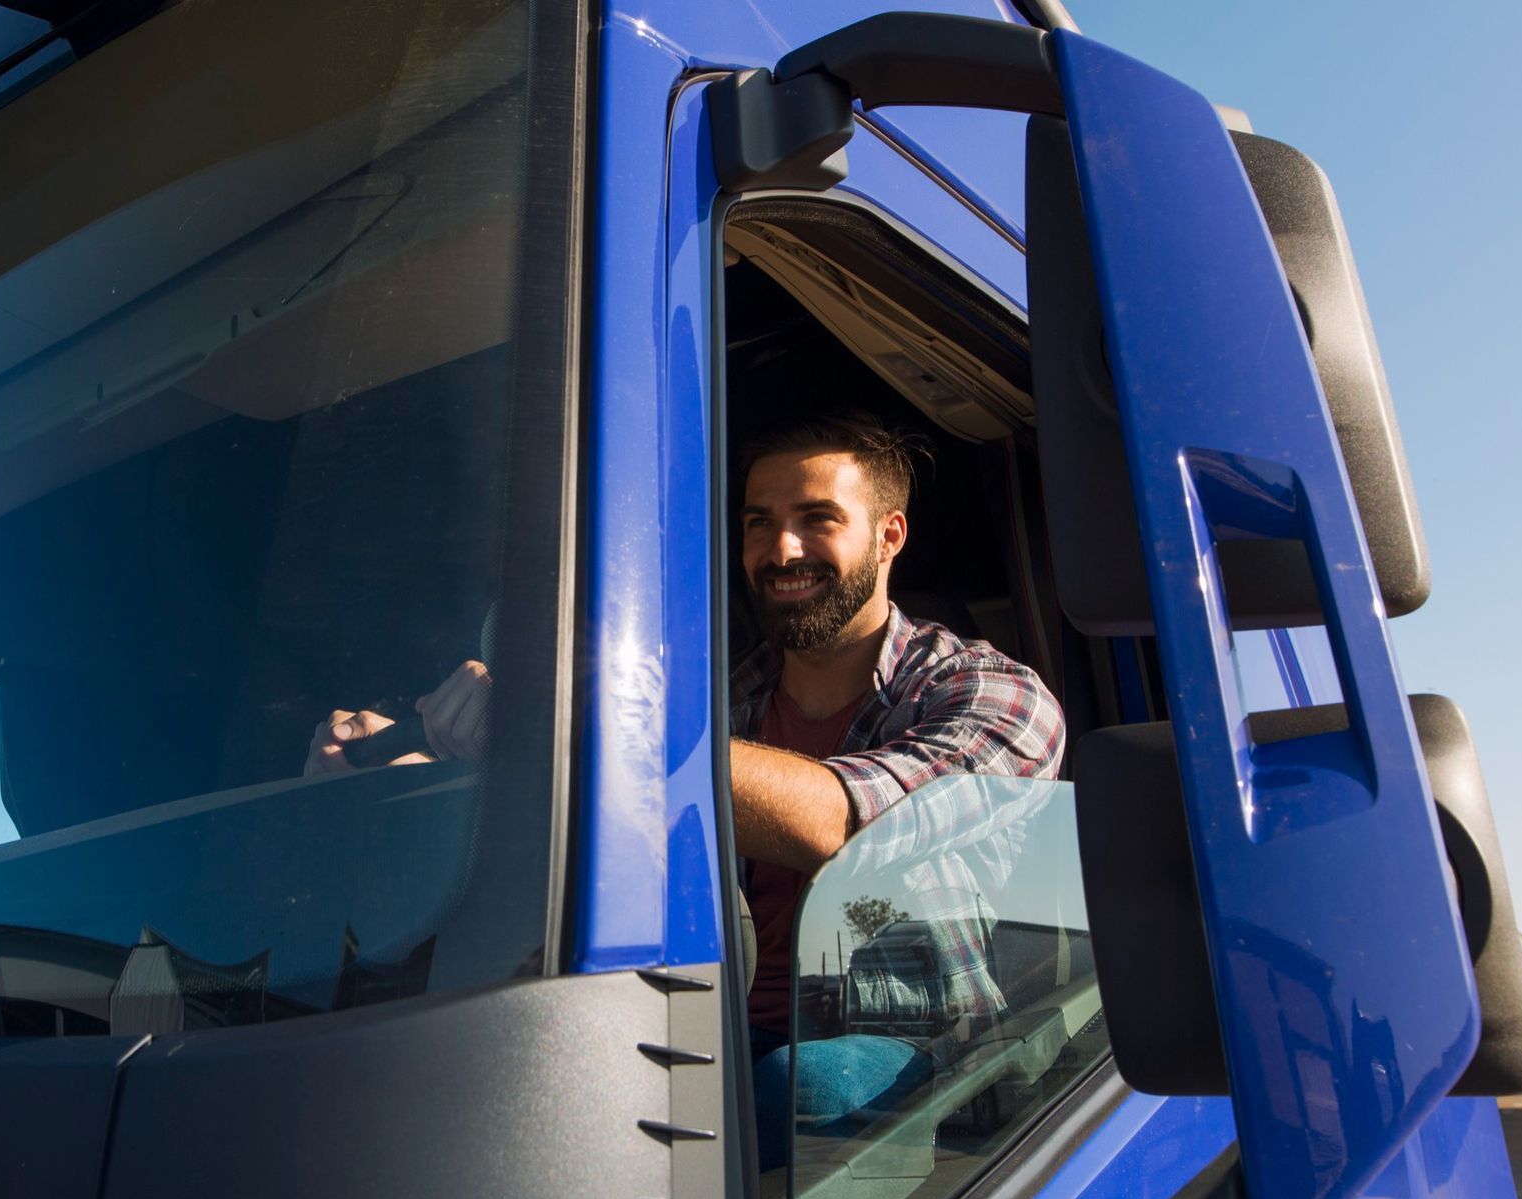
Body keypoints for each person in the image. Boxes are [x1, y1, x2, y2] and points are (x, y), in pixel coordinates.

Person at [303, 407, 1064, 1159]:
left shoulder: (993, 695)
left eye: (817, 518)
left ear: (889, 535)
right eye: (759, 522)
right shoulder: (718, 703)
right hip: (705, 1017)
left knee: (796, 1090)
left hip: (907, 1044)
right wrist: (410, 761)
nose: (781, 548)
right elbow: (590, 805)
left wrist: (576, 723)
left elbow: (847, 823)